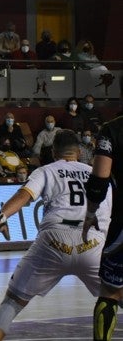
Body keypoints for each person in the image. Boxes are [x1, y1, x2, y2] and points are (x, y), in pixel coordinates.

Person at [0, 129, 113, 340]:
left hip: (54, 240)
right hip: (92, 241)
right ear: (79, 153)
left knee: (12, 302)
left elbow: (25, 195)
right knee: (114, 295)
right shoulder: (98, 174)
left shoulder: (47, 170)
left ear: (54, 151)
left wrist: (2, 215)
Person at [82, 115, 123, 341]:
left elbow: (99, 178)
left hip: (122, 222)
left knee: (110, 291)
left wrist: (91, 212)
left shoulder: (112, 129)